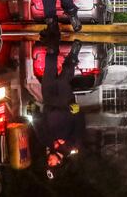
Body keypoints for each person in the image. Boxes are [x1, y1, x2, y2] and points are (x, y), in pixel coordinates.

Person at [32, 37, 85, 179]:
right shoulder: (72, 147)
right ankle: (73, 56)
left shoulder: (46, 142)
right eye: (52, 164)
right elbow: (79, 126)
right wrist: (77, 112)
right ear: (59, 162)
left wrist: (33, 113)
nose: (49, 161)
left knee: (48, 75)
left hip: (49, 102)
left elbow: (38, 125)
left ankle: (52, 45)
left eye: (48, 162)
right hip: (64, 105)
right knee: (63, 80)